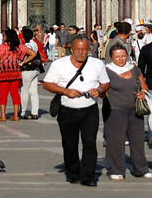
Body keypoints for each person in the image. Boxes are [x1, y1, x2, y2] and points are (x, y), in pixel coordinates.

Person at [43, 34, 110, 185]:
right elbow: (47, 84)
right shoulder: (59, 64)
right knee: (69, 144)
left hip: (89, 110)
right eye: (77, 49)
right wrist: (66, 91)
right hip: (67, 110)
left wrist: (98, 90)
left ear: (90, 50)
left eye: (84, 49)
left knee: (90, 143)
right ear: (71, 49)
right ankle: (72, 173)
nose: (80, 52)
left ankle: (88, 177)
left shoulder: (97, 64)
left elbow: (106, 83)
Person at [103, 43, 152, 180]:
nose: (121, 59)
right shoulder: (106, 70)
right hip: (115, 110)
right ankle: (116, 170)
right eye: (117, 56)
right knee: (115, 141)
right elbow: (102, 90)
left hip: (135, 109)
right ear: (111, 57)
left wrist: (143, 93)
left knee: (137, 140)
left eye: (123, 56)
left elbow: (144, 86)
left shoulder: (134, 69)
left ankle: (141, 169)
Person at [0, 28, 24, 121]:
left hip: (3, 73)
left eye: (4, 35)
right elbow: (32, 54)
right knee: (15, 93)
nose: (3, 37)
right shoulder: (19, 47)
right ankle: (16, 115)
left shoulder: (1, 47)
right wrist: (23, 61)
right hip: (15, 73)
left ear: (8, 36)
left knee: (3, 94)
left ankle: (3, 116)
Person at [18, 25, 44, 120]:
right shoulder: (34, 43)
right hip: (36, 69)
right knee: (33, 92)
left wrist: (23, 62)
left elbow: (26, 56)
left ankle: (22, 112)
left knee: (24, 90)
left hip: (27, 70)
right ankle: (34, 112)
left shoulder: (26, 46)